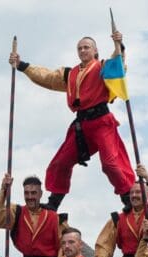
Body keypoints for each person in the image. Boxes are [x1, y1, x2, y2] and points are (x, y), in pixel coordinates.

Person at [10, 33, 136, 211]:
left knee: (111, 163)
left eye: (86, 47)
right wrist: (22, 66)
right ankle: (54, 202)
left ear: (95, 51)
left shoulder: (103, 67)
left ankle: (128, 198)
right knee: (60, 162)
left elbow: (118, 64)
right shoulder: (70, 74)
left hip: (101, 121)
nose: (83, 50)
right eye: (80, 48)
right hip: (81, 124)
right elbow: (47, 77)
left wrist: (119, 45)